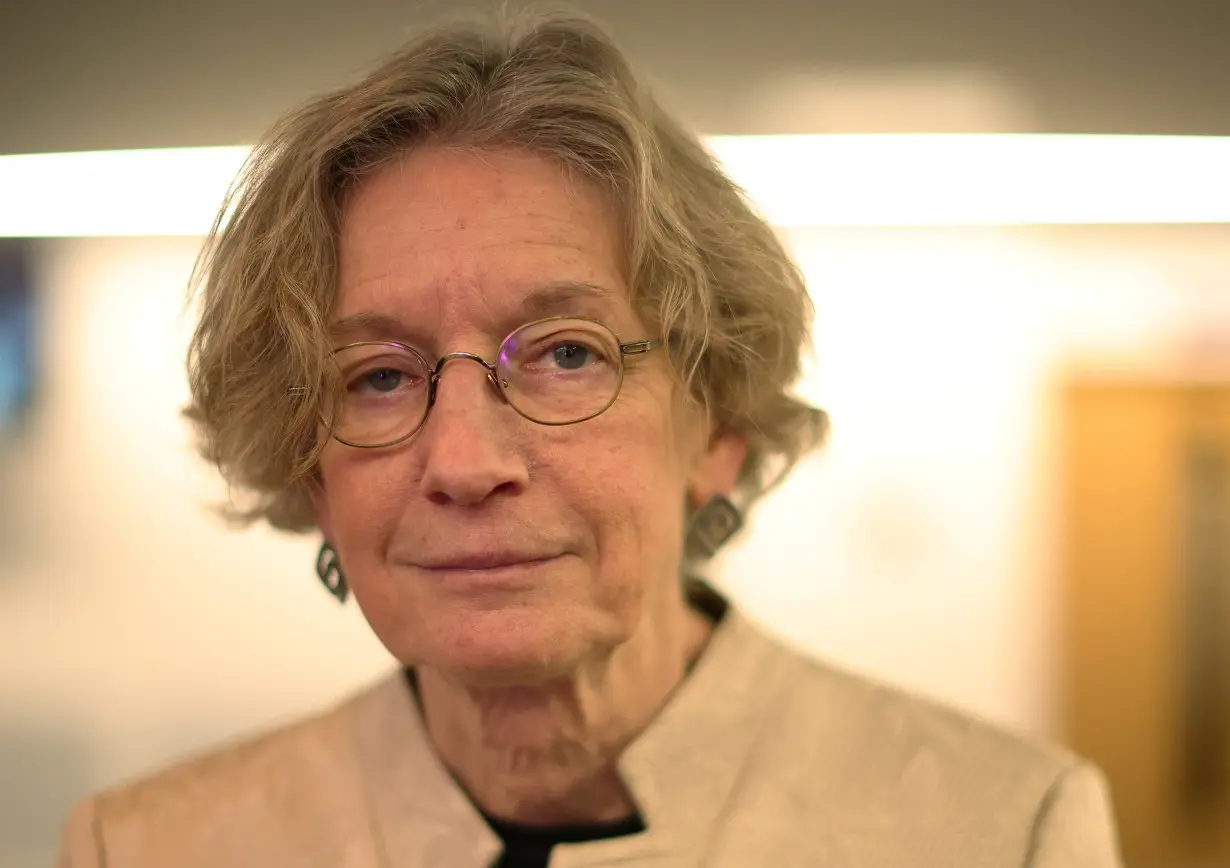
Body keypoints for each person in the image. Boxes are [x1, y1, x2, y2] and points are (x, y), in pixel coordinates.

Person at [57, 10, 1121, 867]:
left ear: (720, 424)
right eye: (377, 377)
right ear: (313, 473)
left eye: (566, 355)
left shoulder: (999, 830)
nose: (466, 462)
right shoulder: (148, 846)